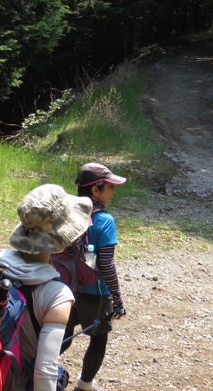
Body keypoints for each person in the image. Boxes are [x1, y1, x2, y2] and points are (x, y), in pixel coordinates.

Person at [0, 183, 93, 391]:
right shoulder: (57, 295)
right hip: (13, 382)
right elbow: (44, 371)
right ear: (62, 239)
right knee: (59, 376)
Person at [60, 162, 128, 391]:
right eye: (109, 186)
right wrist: (117, 299)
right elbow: (106, 264)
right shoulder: (104, 221)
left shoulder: (67, 214)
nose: (113, 191)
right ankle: (84, 385)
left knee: (62, 334)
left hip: (65, 289)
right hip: (95, 293)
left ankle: (31, 368)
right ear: (95, 190)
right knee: (98, 340)